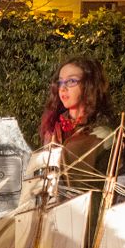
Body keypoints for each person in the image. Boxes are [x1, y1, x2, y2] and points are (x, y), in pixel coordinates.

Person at [38, 57, 115, 189]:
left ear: (89, 85)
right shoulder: (53, 130)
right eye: (60, 82)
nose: (63, 88)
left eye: (71, 81)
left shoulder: (102, 136)